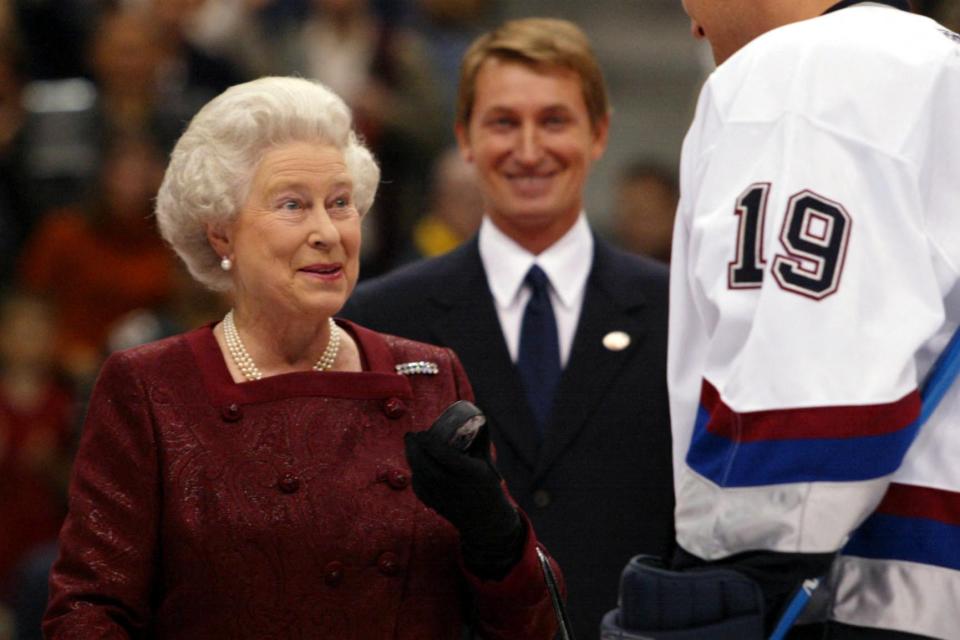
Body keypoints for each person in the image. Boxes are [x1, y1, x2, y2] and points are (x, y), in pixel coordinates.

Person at [42, 76, 562, 639]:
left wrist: (499, 537)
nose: (327, 232)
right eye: (293, 205)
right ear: (221, 233)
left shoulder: (431, 377)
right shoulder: (148, 386)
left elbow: (527, 625)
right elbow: (89, 612)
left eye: (340, 203)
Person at [603, 1, 960, 639]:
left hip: (857, 595)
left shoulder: (804, 70)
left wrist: (742, 580)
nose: (692, 22)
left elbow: (801, 408)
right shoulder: (936, 60)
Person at [343, 18, 675, 640]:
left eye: (553, 121)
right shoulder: (377, 322)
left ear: (599, 133)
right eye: (502, 123)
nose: (528, 150)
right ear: (464, 138)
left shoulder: (678, 310)